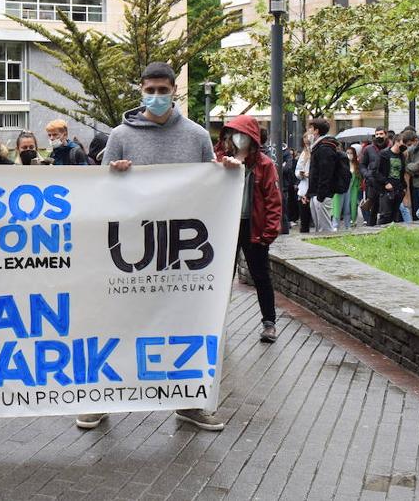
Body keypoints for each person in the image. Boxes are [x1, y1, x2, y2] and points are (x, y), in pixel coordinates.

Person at [77, 62, 232, 433]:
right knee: (117, 322)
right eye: (151, 90)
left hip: (179, 251)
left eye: (164, 90)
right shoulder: (120, 135)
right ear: (142, 90)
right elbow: (98, 190)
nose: (157, 97)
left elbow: (206, 188)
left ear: (175, 91)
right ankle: (100, 397)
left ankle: (190, 402)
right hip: (130, 249)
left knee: (186, 324)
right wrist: (113, 173)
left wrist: (224, 174)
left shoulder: (196, 136)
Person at [214, 115, 283, 343]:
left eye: (243, 134)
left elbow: (273, 200)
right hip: (226, 226)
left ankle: (269, 323)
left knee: (261, 276)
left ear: (253, 138)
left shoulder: (264, 165)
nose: (238, 138)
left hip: (253, 227)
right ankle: (218, 324)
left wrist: (269, 233)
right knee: (223, 278)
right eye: (233, 133)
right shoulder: (219, 161)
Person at [305, 119, 343, 233]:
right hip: (316, 194)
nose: (308, 132)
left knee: (324, 229)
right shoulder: (318, 147)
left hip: (322, 194)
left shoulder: (325, 148)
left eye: (310, 129)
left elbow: (325, 174)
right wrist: (310, 193)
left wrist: (320, 195)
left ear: (316, 131)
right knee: (319, 228)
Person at [374, 130, 411, 225]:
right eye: (403, 142)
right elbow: (376, 171)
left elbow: (402, 172)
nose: (406, 145)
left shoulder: (401, 156)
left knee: (395, 215)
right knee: (385, 215)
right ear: (397, 142)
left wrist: (403, 188)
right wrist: (385, 183)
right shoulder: (384, 154)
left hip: (398, 189)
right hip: (386, 190)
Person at [358, 129, 387, 226]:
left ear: (385, 135)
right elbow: (362, 165)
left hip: (386, 183)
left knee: (386, 209)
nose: (379, 136)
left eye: (381, 134)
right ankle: (371, 227)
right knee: (373, 209)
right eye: (377, 134)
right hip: (372, 183)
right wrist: (367, 174)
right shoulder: (368, 149)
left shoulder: (390, 148)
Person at [333, 145, 361, 229]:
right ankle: (335, 225)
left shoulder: (356, 165)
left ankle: (348, 225)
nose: (349, 154)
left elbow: (358, 179)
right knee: (337, 208)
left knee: (348, 208)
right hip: (341, 188)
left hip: (351, 190)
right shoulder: (342, 163)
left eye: (351, 153)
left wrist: (357, 188)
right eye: (347, 153)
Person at [295, 135, 313, 234]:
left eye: (308, 143)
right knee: (304, 216)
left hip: (314, 189)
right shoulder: (303, 154)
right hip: (304, 188)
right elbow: (297, 170)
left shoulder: (316, 152)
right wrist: (301, 174)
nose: (307, 146)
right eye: (305, 143)